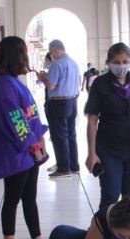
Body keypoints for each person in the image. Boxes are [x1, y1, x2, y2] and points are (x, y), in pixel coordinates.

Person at [0, 36, 51, 239]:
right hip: (16, 153)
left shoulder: (14, 82)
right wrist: (32, 143)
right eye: (24, 52)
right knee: (12, 199)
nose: (27, 57)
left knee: (30, 198)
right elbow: (15, 120)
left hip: (29, 152)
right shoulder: (3, 86)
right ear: (16, 56)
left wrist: (38, 140)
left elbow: (30, 115)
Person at [85, 43, 130, 210]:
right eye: (117, 62)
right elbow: (92, 120)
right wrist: (91, 153)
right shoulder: (100, 84)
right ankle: (103, 234)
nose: (121, 65)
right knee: (110, 196)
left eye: (125, 61)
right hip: (109, 149)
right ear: (108, 62)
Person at [37, 40, 81, 178]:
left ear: (55, 50)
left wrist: (43, 77)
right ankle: (73, 165)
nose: (52, 55)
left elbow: (51, 86)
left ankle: (63, 167)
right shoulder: (74, 63)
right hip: (72, 102)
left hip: (58, 103)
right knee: (70, 135)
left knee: (59, 135)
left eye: (51, 52)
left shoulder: (57, 64)